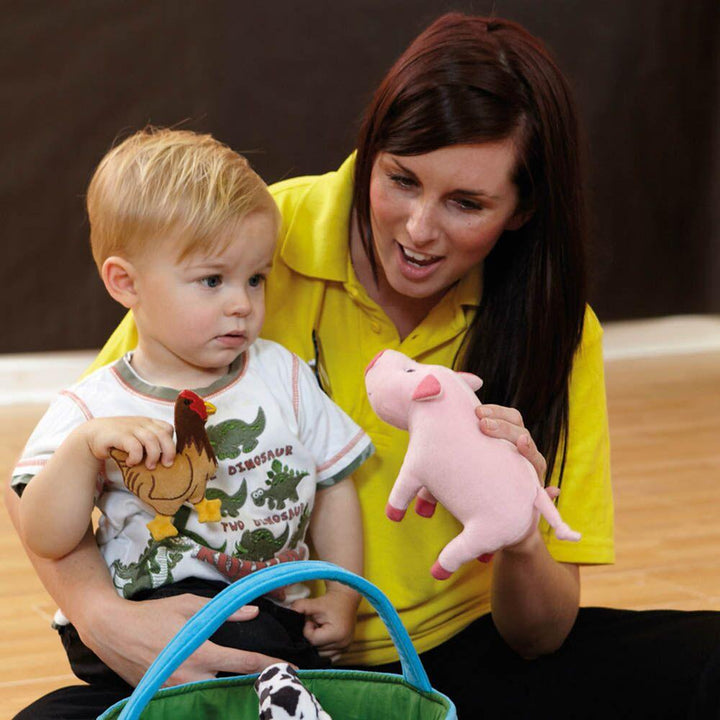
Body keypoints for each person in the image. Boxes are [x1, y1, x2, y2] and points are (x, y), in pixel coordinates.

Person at [6, 11, 720, 719]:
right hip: (234, 653)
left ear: (522, 210)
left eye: (467, 203)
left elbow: (540, 637)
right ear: (371, 150)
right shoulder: (246, 245)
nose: (418, 230)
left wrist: (523, 532)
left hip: (450, 658)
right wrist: (104, 618)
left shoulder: (554, 327)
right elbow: (57, 468)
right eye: (401, 180)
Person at [9, 128, 372, 718]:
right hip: (141, 621)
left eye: (255, 278)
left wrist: (344, 595)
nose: (242, 304)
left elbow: (334, 485)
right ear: (125, 283)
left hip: (267, 616)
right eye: (212, 280)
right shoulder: (91, 405)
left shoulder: (281, 374)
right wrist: (81, 452)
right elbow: (47, 536)